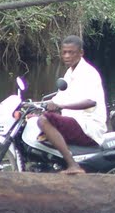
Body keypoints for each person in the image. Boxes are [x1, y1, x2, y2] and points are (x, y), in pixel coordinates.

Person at [38, 35, 107, 174]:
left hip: (89, 128)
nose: (67, 56)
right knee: (36, 119)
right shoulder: (70, 73)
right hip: (76, 123)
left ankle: (72, 165)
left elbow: (91, 101)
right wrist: (35, 106)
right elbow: (58, 99)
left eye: (71, 52)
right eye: (64, 52)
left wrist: (61, 106)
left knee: (44, 120)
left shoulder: (88, 73)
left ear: (81, 53)